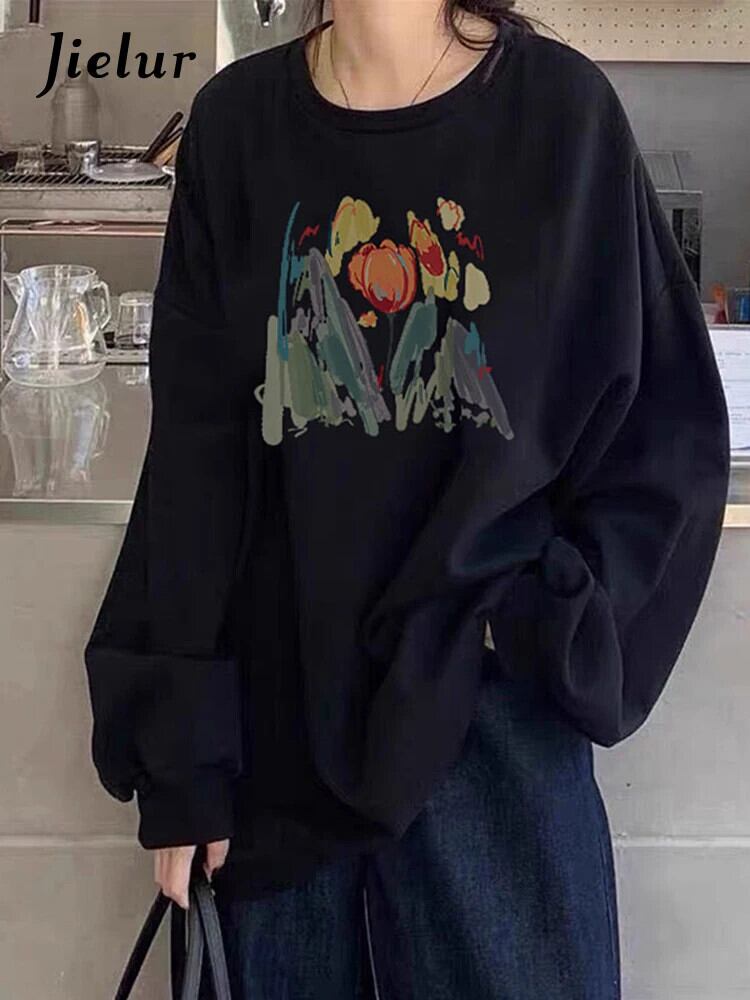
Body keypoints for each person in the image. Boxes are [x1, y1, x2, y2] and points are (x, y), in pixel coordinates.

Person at [84, 1, 731, 997]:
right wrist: (181, 763)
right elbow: (194, 474)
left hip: (496, 763)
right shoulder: (236, 126)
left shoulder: (561, 118)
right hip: (278, 766)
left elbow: (663, 435)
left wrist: (537, 625)